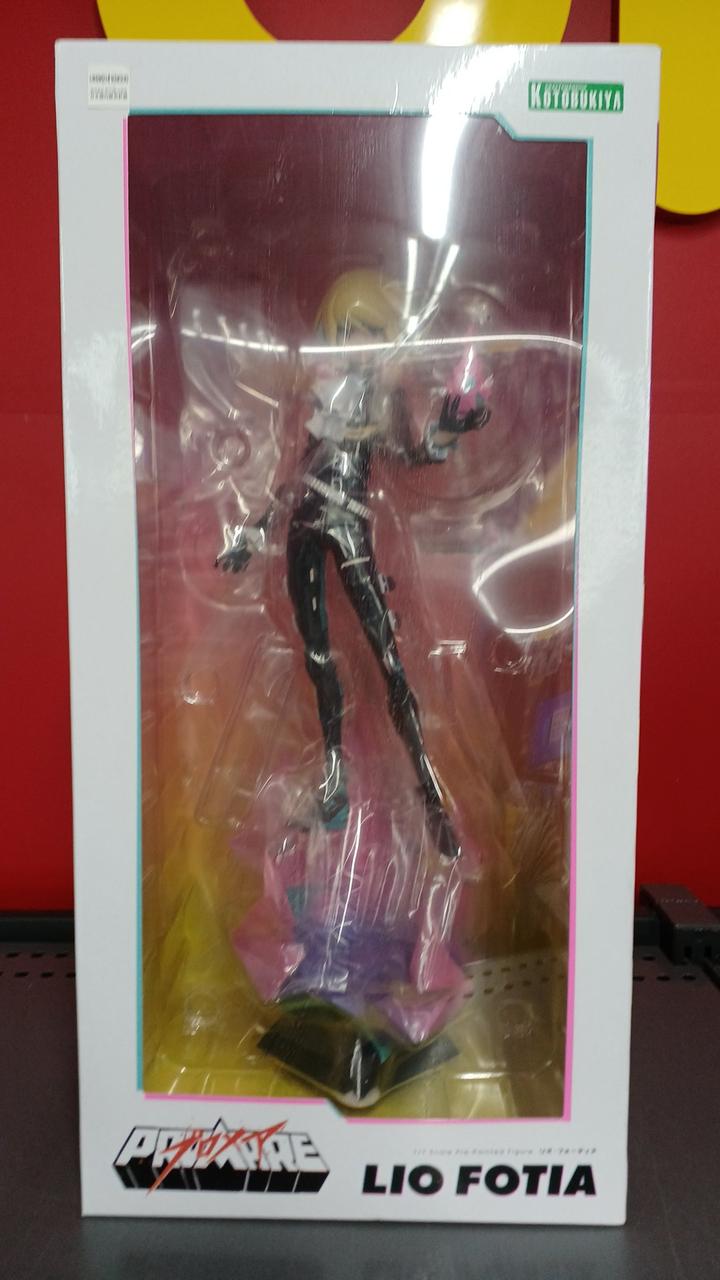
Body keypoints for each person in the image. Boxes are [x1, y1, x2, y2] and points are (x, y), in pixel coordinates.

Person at [217, 269, 490, 861]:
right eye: (348, 331)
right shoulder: (322, 394)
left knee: (388, 657)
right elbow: (295, 475)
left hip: (350, 522)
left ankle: (430, 794)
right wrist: (251, 535)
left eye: (370, 332)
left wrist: (450, 426)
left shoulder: (382, 402)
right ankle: (334, 784)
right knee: (317, 657)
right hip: (304, 524)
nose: (358, 342)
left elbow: (412, 454)